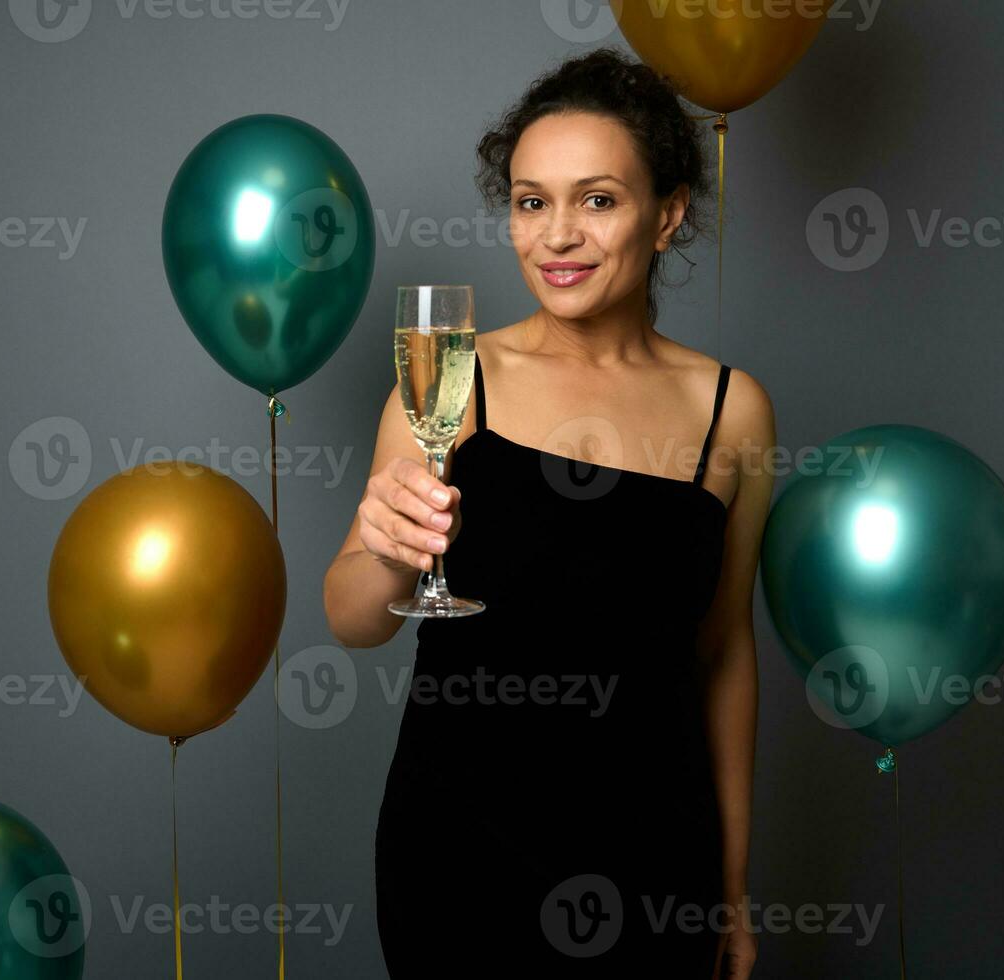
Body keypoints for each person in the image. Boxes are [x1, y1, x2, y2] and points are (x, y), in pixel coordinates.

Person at [323, 48, 774, 978]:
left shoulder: (730, 411)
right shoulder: (452, 375)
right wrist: (382, 545)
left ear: (668, 214)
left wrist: (729, 891)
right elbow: (352, 619)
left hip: (656, 865)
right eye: (531, 202)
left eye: (597, 199)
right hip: (460, 860)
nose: (556, 235)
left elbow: (725, 656)